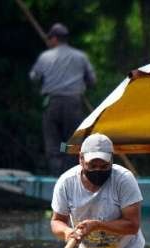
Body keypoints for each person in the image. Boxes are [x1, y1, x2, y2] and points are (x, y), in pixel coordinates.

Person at [29, 22, 96, 176]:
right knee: (70, 143)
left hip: (53, 104)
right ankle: (71, 174)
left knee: (55, 143)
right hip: (73, 104)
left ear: (54, 39)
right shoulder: (81, 57)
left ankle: (57, 174)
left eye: (50, 38)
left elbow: (34, 77)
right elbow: (92, 80)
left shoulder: (45, 57)